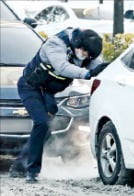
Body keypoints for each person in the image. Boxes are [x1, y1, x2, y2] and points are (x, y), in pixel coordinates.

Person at [8, 27, 109, 183]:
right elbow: (62, 67)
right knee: (41, 122)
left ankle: (19, 165)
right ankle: (32, 172)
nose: (85, 57)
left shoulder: (86, 50)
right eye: (84, 52)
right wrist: (87, 74)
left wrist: (106, 70)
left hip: (47, 91)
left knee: (47, 128)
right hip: (30, 87)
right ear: (78, 43)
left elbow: (98, 67)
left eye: (89, 55)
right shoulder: (56, 44)